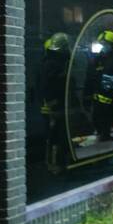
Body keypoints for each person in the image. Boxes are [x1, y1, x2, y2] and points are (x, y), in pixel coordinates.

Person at [39, 32, 70, 174]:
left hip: (58, 106)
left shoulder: (55, 62)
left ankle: (58, 163)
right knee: (54, 138)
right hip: (53, 107)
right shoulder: (52, 64)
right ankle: (53, 164)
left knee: (58, 137)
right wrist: (53, 105)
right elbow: (47, 87)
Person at [86, 30, 113, 142]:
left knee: (108, 127)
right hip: (99, 101)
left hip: (109, 103)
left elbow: (112, 85)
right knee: (100, 125)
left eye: (105, 44)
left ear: (112, 45)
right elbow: (92, 77)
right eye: (101, 44)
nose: (103, 47)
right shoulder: (100, 59)